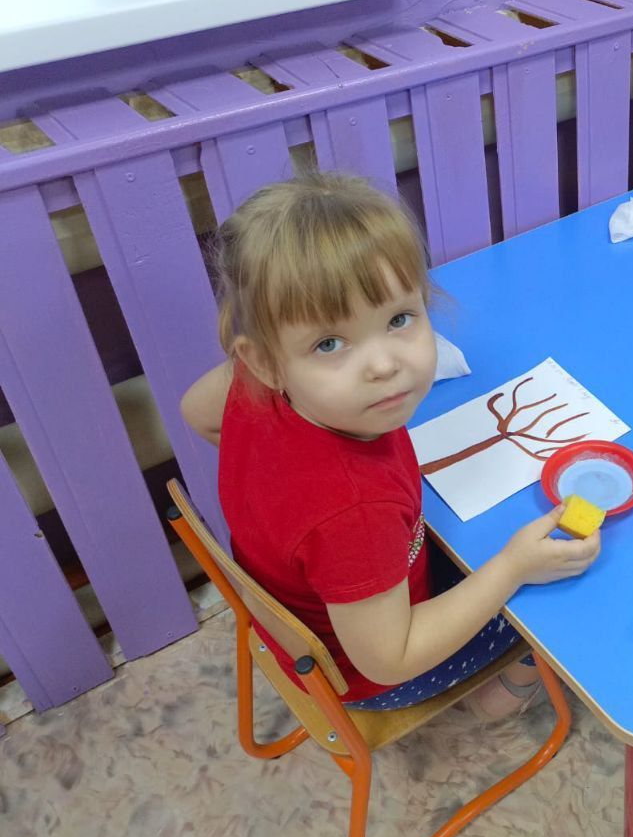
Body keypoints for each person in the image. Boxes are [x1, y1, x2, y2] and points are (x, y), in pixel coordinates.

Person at [180, 173, 600, 717]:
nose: (383, 365)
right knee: (556, 598)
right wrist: (513, 568)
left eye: (399, 319)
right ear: (265, 361)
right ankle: (510, 690)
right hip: (373, 676)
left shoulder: (254, 386)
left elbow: (195, 411)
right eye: (329, 343)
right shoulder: (354, 511)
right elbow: (390, 659)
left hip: (325, 614)